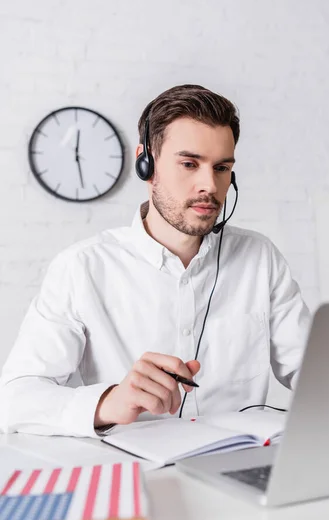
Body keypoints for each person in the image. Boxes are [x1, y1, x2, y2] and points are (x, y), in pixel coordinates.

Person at [0, 84, 310, 438]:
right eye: (189, 164)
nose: (209, 185)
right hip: (133, 475)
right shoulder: (81, 267)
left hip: (243, 465)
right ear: (146, 163)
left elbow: (313, 371)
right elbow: (14, 400)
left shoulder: (260, 257)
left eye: (222, 167)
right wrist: (110, 402)